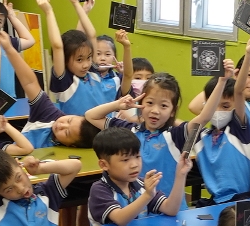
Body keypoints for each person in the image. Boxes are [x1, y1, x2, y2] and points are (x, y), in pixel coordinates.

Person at [102, 49, 239, 200]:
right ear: (140, 103)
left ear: (173, 111)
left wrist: (222, 82)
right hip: (139, 209)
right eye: (150, 103)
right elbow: (92, 116)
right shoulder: (129, 131)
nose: (155, 111)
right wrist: (118, 105)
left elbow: (204, 117)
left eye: (163, 106)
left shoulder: (176, 135)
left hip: (171, 209)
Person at [188, 10, 250, 139]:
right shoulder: (230, 101)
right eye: (249, 75)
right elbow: (194, 106)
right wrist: (228, 79)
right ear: (238, 73)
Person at [86, 126, 188, 226]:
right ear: (104, 165)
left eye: (137, 157)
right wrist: (147, 195)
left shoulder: (141, 184)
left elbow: (171, 209)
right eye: (125, 160)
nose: (134, 165)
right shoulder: (99, 190)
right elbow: (120, 219)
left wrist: (181, 175)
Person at [36, 0, 117, 116]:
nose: (86, 64)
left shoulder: (92, 72)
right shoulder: (65, 81)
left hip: (104, 127)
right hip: (79, 128)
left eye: (88, 58)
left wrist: (76, 4)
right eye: (79, 60)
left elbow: (91, 34)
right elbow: (57, 46)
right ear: (65, 60)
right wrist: (49, 11)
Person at [189, 71, 250, 206]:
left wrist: (226, 79)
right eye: (213, 105)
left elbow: (239, 92)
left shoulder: (239, 131)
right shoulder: (202, 136)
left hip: (239, 202)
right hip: (214, 203)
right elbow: (193, 106)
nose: (218, 110)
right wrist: (220, 83)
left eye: (225, 106)